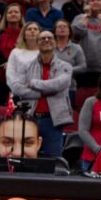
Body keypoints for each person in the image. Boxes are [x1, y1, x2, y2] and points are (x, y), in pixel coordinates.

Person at [9, 28, 73, 157]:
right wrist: (44, 92)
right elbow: (17, 88)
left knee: (53, 161)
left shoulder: (65, 66)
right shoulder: (26, 66)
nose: (46, 40)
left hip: (53, 121)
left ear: (55, 43)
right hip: (29, 119)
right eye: (42, 38)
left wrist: (33, 83)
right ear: (37, 43)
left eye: (50, 38)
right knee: (26, 158)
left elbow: (58, 85)